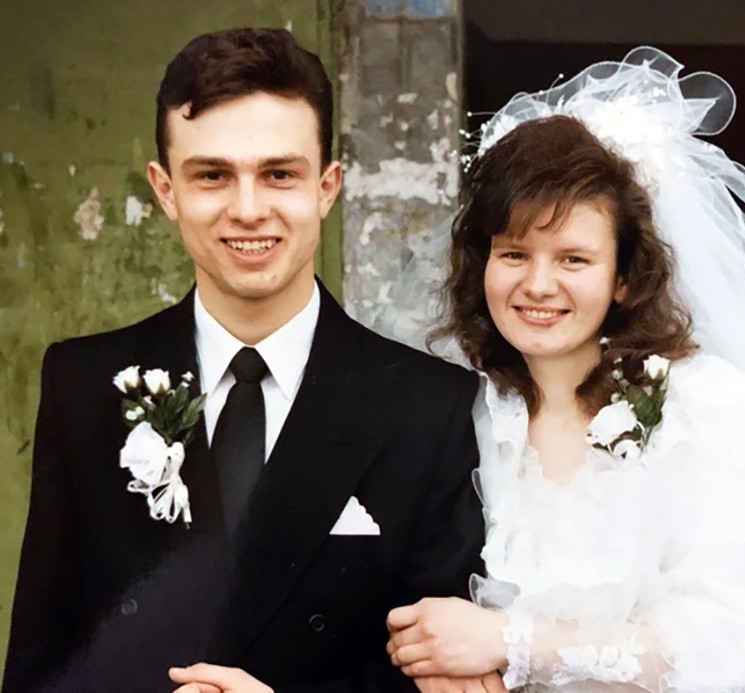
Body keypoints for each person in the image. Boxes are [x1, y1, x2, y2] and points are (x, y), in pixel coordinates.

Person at [380, 48, 745, 691]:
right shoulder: (459, 409)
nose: (537, 284)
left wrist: (510, 642)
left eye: (573, 259)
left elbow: (723, 639)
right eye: (514, 254)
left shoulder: (716, 415)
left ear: (625, 278)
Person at [3, 28, 489, 693]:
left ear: (327, 186)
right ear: (165, 189)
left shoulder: (431, 407)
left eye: (279, 174)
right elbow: (44, 664)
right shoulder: (84, 385)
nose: (249, 209)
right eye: (212, 175)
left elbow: (441, 681)